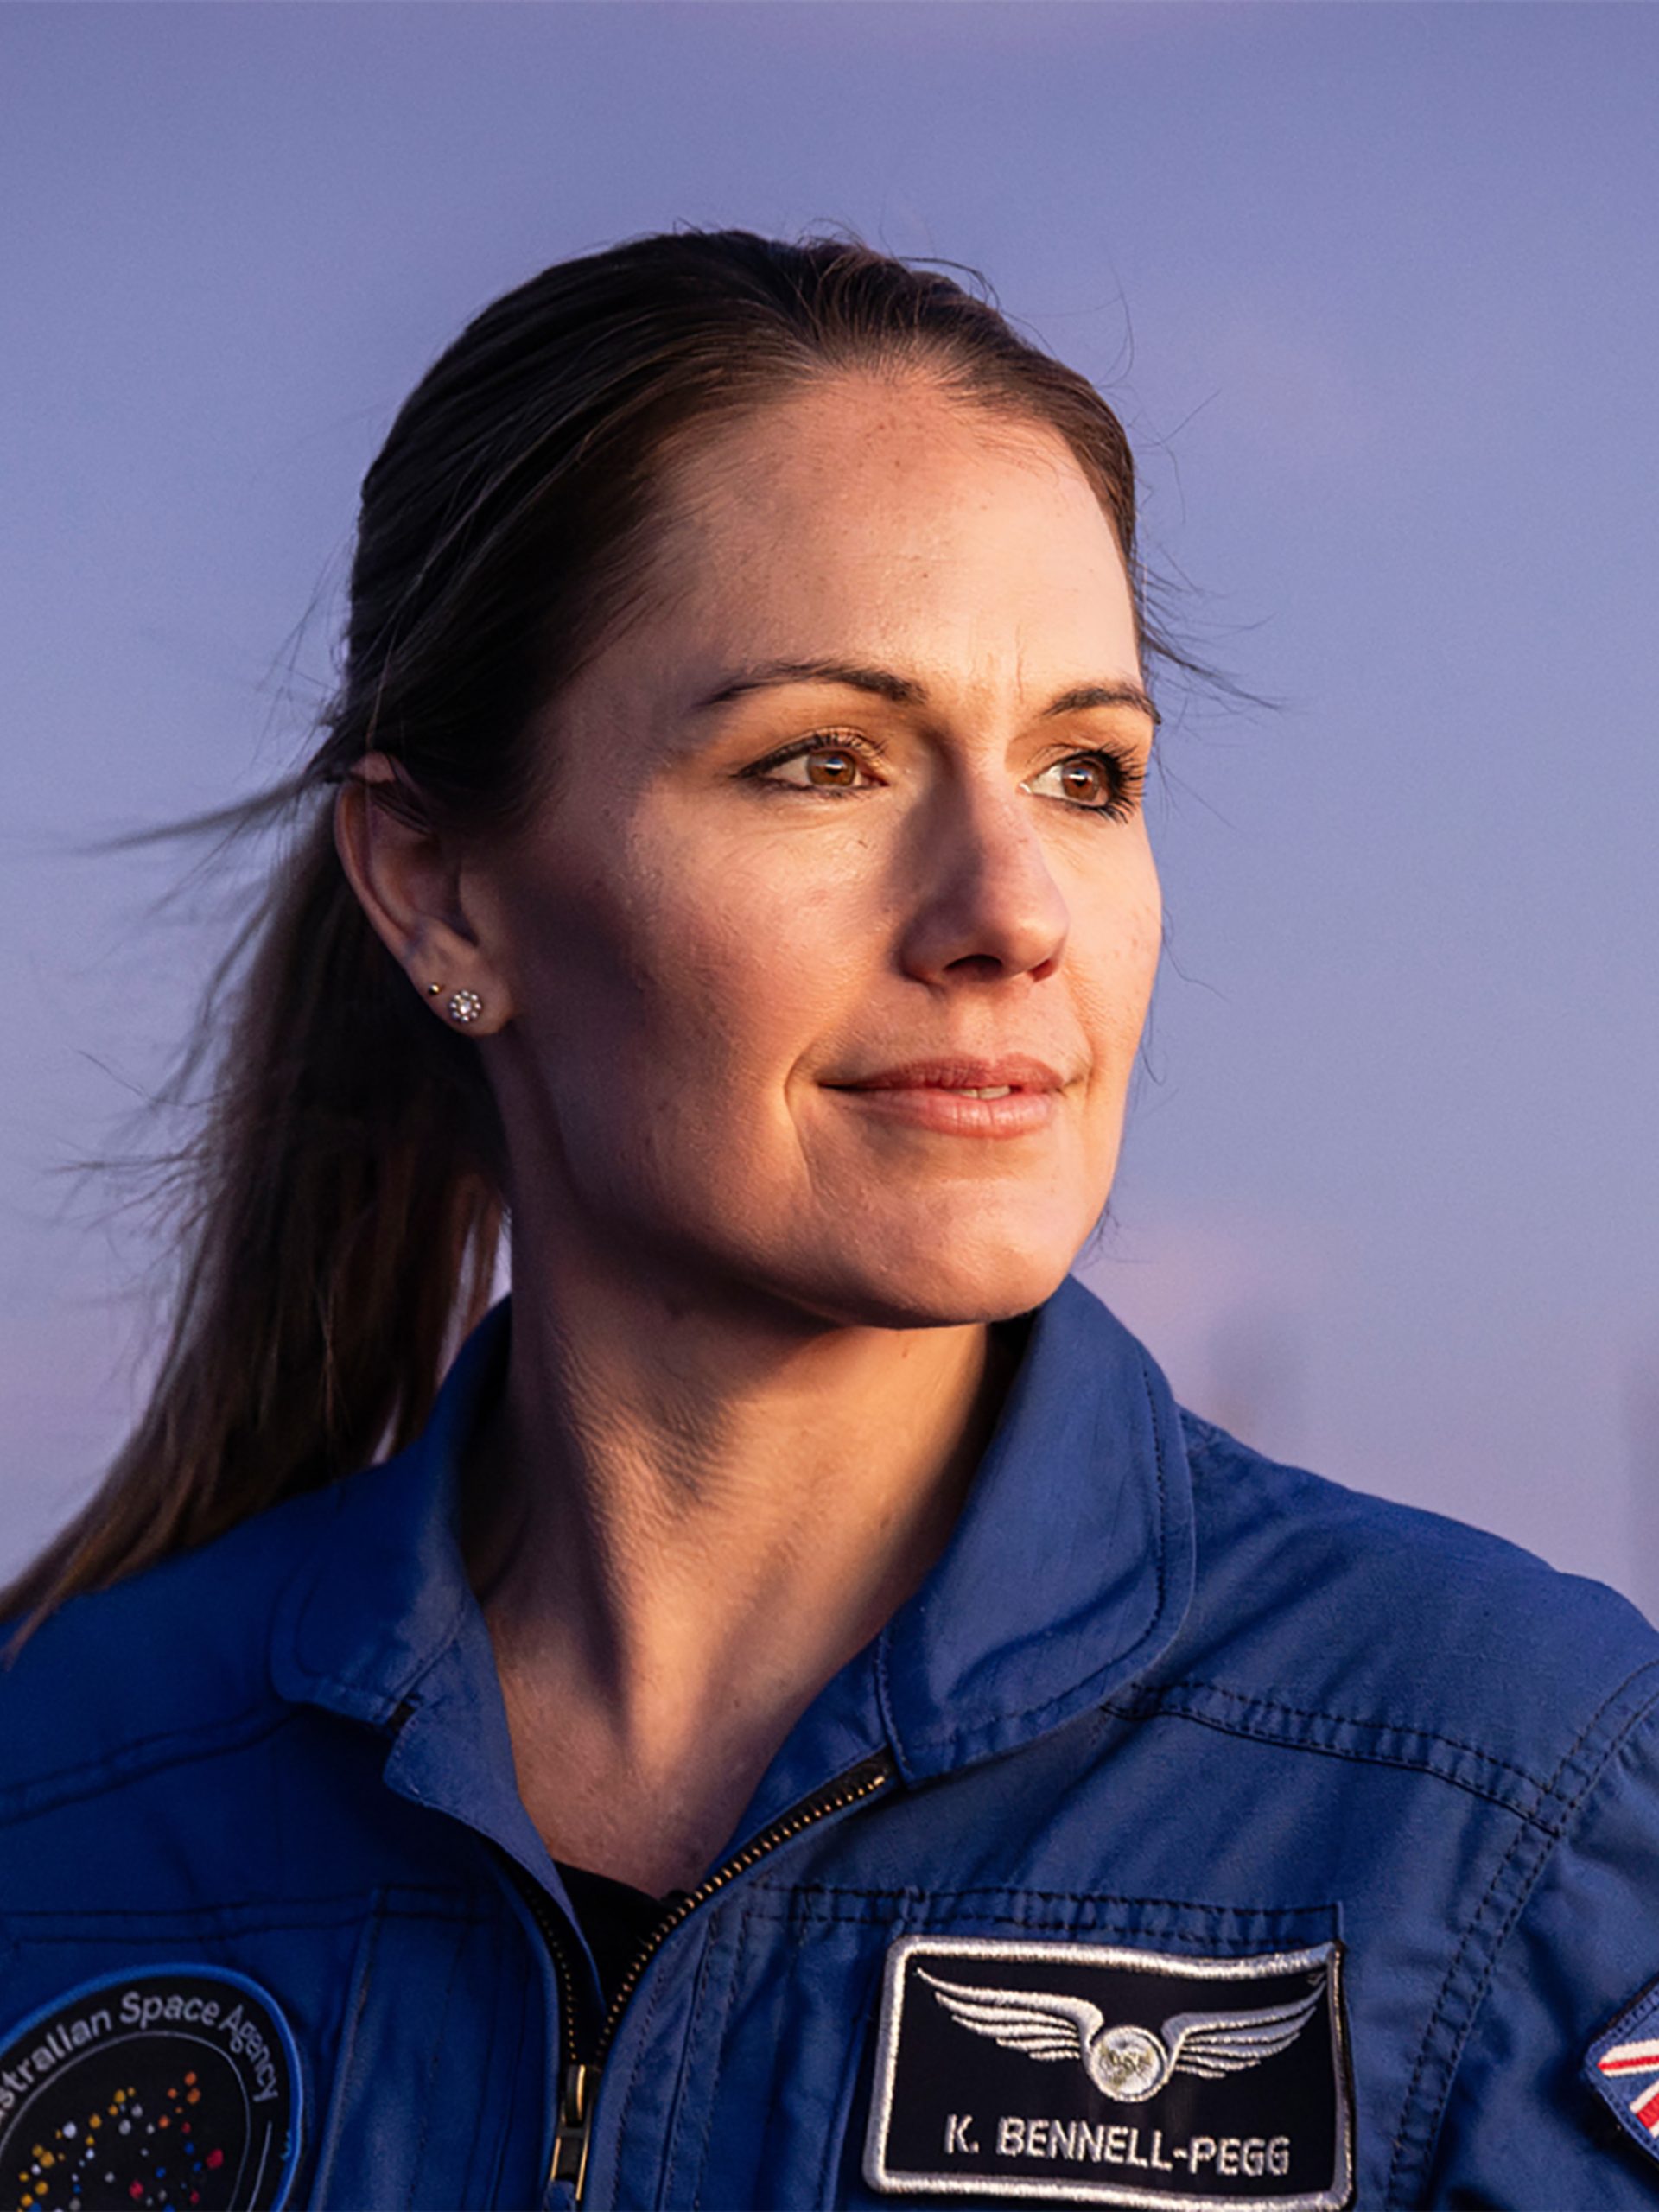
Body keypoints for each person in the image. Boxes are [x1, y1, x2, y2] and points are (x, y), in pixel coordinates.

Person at [2, 228, 1656, 2212]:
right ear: (440, 887)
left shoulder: (1507, 1796)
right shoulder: (63, 1794)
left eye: (1086, 770)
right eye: (821, 761)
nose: (1011, 906)